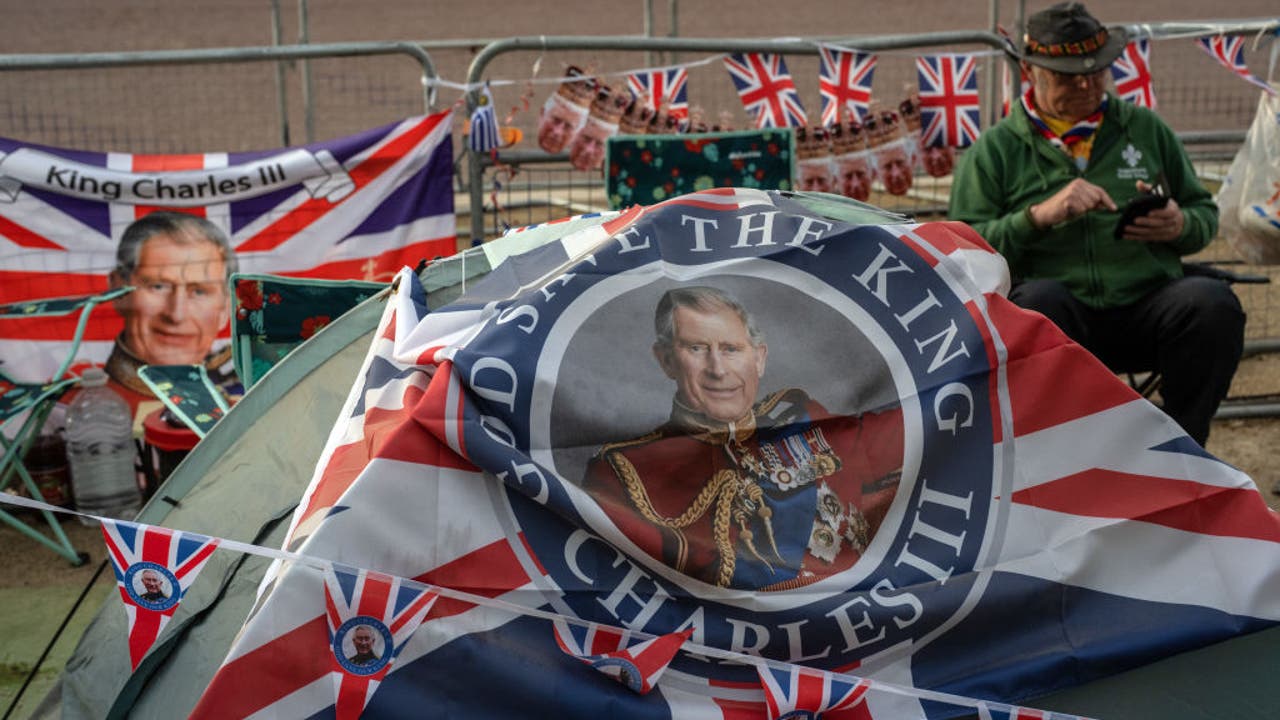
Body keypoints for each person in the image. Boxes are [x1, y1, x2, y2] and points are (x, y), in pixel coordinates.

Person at [948, 1, 1243, 446]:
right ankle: (1066, 453)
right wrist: (1037, 217)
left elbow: (1204, 214)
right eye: (1067, 76)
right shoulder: (995, 149)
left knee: (1211, 303)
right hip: (1059, 322)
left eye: (1097, 71)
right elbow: (963, 251)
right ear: (1029, 71)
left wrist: (1181, 223)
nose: (1086, 85)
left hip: (1146, 305)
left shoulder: (1144, 129)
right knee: (1040, 302)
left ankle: (1182, 448)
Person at [583, 286, 903, 591]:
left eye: (731, 349)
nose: (718, 369)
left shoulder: (805, 421)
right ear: (666, 360)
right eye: (696, 348)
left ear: (759, 358)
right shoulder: (625, 473)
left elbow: (916, 428)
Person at [104, 211, 239, 415]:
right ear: (118, 291)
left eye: (199, 291)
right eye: (158, 286)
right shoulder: (67, 408)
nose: (176, 315)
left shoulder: (254, 403)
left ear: (225, 309)